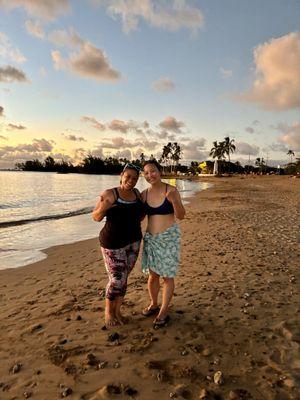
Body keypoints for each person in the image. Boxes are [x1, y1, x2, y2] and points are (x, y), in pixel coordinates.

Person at [92, 163, 144, 327]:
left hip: (134, 241)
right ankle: (108, 311)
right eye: (128, 176)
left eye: (135, 178)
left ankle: (118, 310)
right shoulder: (110, 193)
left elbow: (141, 216)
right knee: (116, 279)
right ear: (121, 175)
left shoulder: (136, 194)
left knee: (124, 278)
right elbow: (96, 217)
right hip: (112, 243)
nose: (131, 180)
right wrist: (104, 208)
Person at [141, 160, 185, 327]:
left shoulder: (171, 190)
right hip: (151, 239)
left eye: (153, 171)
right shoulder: (144, 194)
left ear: (159, 171)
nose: (149, 175)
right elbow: (139, 217)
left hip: (168, 238)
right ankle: (154, 304)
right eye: (146, 173)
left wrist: (174, 200)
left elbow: (181, 215)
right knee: (153, 276)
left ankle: (164, 311)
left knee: (167, 276)